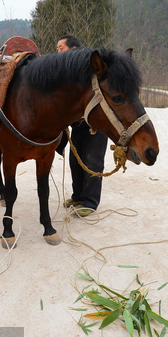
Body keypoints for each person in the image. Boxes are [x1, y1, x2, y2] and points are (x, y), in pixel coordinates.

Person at [55, 35, 109, 217]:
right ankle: (78, 196)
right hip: (78, 124)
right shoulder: (65, 71)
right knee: (75, 159)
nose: (58, 51)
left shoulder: (87, 66)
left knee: (93, 160)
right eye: (57, 49)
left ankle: (90, 202)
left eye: (61, 48)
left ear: (74, 48)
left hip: (96, 122)